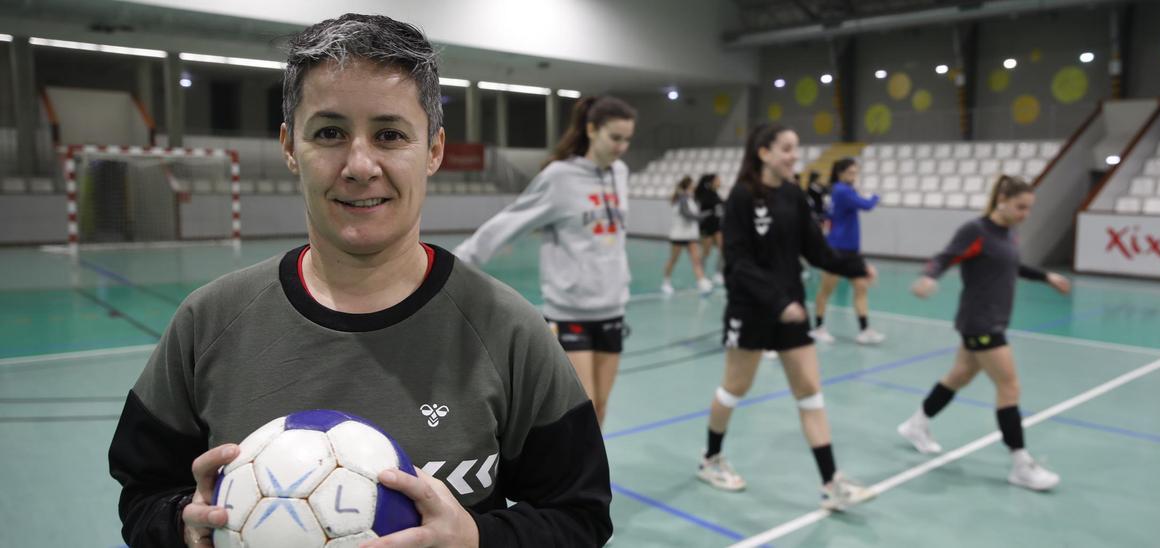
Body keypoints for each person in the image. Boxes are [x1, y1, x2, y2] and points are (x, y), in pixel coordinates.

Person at [107, 14, 611, 547]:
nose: (360, 164)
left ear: (434, 150)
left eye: (390, 135)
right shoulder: (207, 321)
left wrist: (477, 540)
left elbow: (579, 515)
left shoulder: (507, 330)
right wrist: (182, 528)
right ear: (288, 147)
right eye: (330, 133)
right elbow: (143, 494)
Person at [696, 123, 874, 511]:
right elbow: (737, 263)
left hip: (789, 310)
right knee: (734, 388)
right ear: (764, 152)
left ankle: (831, 482)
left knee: (809, 391)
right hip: (751, 308)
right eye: (787, 149)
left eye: (796, 149)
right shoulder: (742, 198)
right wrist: (777, 301)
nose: (795, 156)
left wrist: (856, 266)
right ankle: (710, 459)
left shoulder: (794, 195)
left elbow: (817, 251)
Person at [453, 95, 636, 428]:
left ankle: (590, 476)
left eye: (627, 139)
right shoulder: (560, 177)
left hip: (613, 307)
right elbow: (510, 220)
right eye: (615, 137)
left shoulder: (620, 173)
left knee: (601, 408)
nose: (622, 147)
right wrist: (457, 263)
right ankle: (572, 478)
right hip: (571, 310)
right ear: (592, 130)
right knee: (583, 408)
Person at [899, 174, 1072, 492]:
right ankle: (1021, 464)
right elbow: (945, 257)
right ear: (1002, 200)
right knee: (1009, 386)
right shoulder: (975, 231)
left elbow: (1013, 267)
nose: (1025, 214)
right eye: (1021, 207)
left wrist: (1046, 276)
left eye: (1029, 208)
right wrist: (930, 277)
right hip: (981, 323)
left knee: (960, 375)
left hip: (992, 319)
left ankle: (916, 425)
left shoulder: (1008, 234)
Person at [810, 157, 884, 345]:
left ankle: (864, 330)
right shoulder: (842, 190)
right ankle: (818, 327)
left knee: (861, 287)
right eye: (850, 172)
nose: (854, 175)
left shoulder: (840, 190)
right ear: (840, 173)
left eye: (855, 172)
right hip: (837, 249)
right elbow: (867, 206)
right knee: (827, 289)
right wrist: (876, 196)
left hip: (851, 250)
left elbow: (830, 213)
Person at [661, 176, 713, 295]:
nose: (694, 186)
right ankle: (666, 282)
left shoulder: (690, 198)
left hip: (690, 235)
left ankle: (701, 282)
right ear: (688, 185)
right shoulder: (682, 198)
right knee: (674, 259)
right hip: (679, 236)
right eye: (692, 184)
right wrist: (702, 216)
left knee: (696, 260)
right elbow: (686, 214)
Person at [694, 173, 725, 285]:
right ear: (712, 182)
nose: (720, 181)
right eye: (718, 180)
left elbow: (721, 206)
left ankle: (718, 273)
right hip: (706, 227)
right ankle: (701, 276)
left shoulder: (716, 194)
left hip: (717, 226)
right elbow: (704, 210)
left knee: (724, 248)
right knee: (706, 252)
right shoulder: (705, 195)